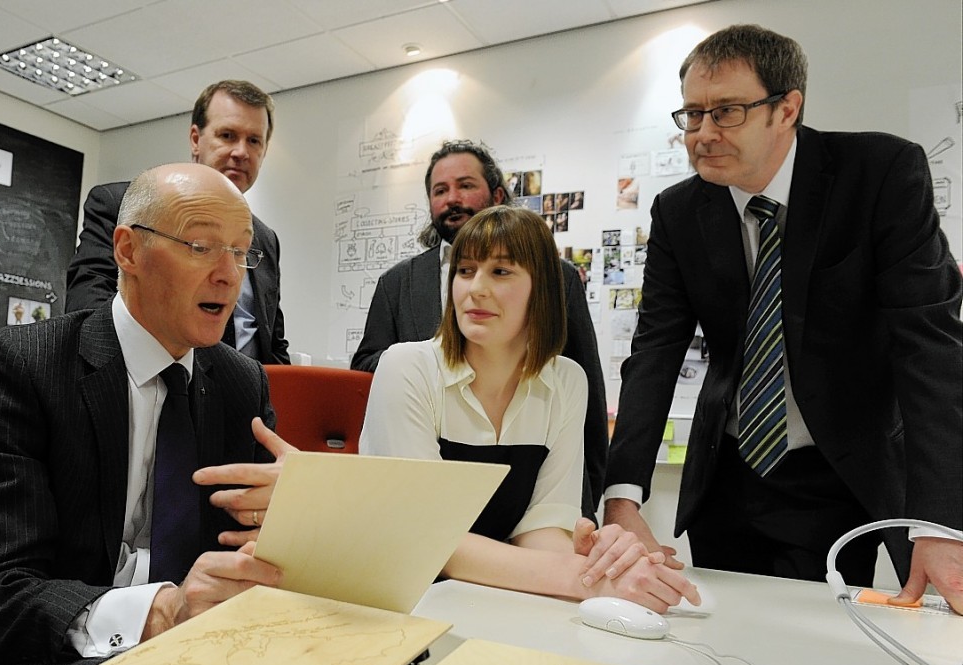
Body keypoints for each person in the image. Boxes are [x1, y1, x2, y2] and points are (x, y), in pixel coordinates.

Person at [0, 163, 289, 665]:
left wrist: (295, 516)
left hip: (189, 655)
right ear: (126, 250)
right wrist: (160, 612)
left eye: (241, 251)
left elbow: (242, 562)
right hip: (24, 653)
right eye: (201, 246)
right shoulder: (22, 366)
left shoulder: (244, 384)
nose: (229, 275)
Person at [596, 24, 962, 612]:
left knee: (831, 644)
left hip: (844, 473)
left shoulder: (878, 173)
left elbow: (931, 346)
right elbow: (656, 350)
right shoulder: (679, 211)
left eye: (727, 112)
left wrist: (941, 523)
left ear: (787, 108)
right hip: (729, 474)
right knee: (724, 634)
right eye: (691, 115)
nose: (703, 134)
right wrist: (622, 498)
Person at [360, 205, 697, 612]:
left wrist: (601, 565)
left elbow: (542, 526)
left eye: (500, 272)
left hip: (493, 598)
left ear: (543, 290)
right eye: (465, 271)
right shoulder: (406, 367)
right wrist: (581, 579)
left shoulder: (567, 382)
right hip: (400, 599)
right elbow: (426, 538)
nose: (475, 289)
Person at [351, 140, 609, 522]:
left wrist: (578, 510)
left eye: (465, 185)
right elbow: (366, 366)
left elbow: (579, 374)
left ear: (498, 194)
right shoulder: (398, 283)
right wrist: (430, 374)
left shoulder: (559, 281)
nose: (452, 198)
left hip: (534, 477)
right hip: (421, 457)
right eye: (440, 190)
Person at [65, 80, 290, 363]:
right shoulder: (121, 205)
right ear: (196, 139)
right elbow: (88, 308)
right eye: (228, 135)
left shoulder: (265, 239)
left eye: (254, 141)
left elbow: (272, 340)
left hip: (244, 399)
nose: (241, 152)